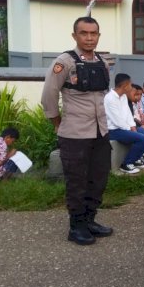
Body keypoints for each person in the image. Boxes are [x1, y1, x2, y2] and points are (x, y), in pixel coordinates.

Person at [41, 16, 114, 246]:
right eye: (84, 33)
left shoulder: (102, 62)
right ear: (75, 36)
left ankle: (90, 219)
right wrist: (57, 123)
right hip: (75, 134)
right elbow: (48, 95)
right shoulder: (65, 62)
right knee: (77, 181)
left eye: (94, 33)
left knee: (98, 179)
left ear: (98, 36)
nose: (89, 38)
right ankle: (77, 226)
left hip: (100, 132)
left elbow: (103, 96)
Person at [104, 73, 144, 174]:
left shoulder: (123, 96)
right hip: (113, 130)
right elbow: (117, 120)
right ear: (125, 86)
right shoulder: (109, 98)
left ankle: (137, 158)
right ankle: (127, 164)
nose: (132, 87)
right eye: (130, 84)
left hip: (125, 127)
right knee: (142, 138)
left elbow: (128, 113)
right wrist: (131, 129)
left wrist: (132, 126)